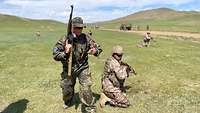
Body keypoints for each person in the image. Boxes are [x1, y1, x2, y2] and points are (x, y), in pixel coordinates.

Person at [52, 17, 102, 113]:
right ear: (72, 27)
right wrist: (66, 52)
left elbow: (99, 48)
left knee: (86, 87)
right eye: (77, 28)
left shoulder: (86, 37)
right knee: (67, 89)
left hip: (83, 67)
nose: (79, 30)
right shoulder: (64, 39)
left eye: (81, 28)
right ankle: (68, 101)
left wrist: (94, 51)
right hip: (68, 69)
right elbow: (55, 55)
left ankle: (89, 108)